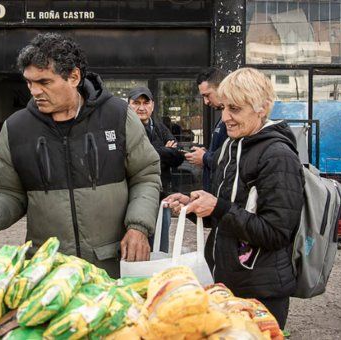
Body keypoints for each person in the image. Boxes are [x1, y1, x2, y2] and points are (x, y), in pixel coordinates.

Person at [0, 33, 161, 277]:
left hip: (110, 266)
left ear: (74, 77)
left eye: (44, 82)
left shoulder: (118, 115)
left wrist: (139, 227)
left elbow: (146, 176)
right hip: (49, 272)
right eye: (29, 82)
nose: (34, 91)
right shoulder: (16, 129)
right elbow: (11, 194)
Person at [165, 67, 305, 329]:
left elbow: (276, 232)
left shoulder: (278, 156)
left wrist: (217, 206)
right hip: (227, 284)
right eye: (224, 108)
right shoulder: (232, 145)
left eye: (236, 109)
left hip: (260, 293)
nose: (226, 117)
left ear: (262, 107)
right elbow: (224, 218)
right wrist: (193, 207)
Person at [128, 87, 184, 252]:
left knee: (160, 248)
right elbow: (135, 158)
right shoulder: (126, 129)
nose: (141, 107)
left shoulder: (160, 127)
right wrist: (165, 151)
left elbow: (178, 156)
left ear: (152, 105)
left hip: (163, 196)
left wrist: (156, 151)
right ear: (129, 105)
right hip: (136, 199)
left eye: (146, 103)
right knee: (138, 247)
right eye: (136, 103)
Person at [185, 67, 228, 191]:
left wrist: (205, 157)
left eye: (207, 95)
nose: (206, 102)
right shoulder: (222, 119)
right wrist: (207, 153)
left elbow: (233, 160)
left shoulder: (234, 122)